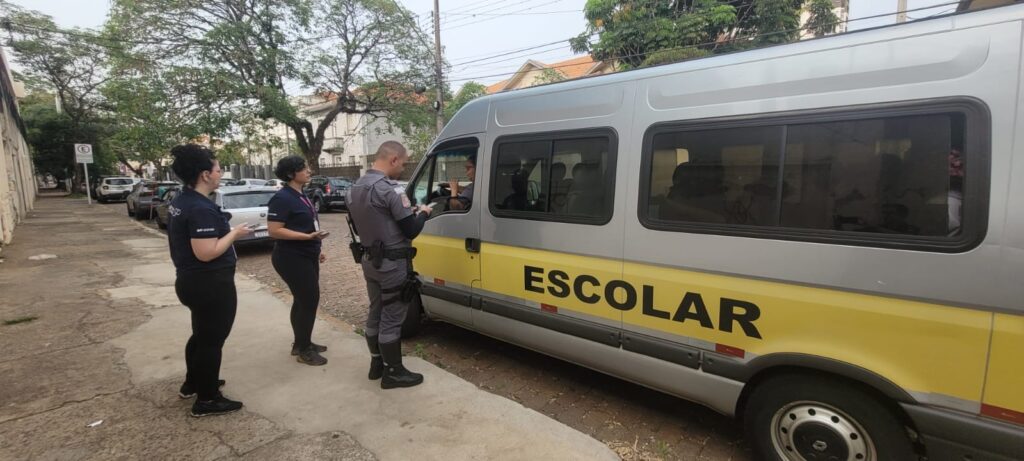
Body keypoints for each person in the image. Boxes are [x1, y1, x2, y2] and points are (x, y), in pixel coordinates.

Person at [166, 144, 253, 417]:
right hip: (209, 283)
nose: (220, 173)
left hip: (193, 282)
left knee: (202, 335)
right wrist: (234, 233)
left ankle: (194, 382)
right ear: (205, 174)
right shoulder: (200, 208)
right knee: (212, 340)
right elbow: (206, 252)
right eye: (218, 169)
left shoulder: (183, 200)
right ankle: (207, 398)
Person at [348, 141, 433, 389]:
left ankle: (377, 363)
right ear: (393, 159)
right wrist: (424, 212)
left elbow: (373, 222)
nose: (403, 169)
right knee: (392, 317)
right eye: (404, 163)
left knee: (375, 310)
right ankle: (394, 372)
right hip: (392, 264)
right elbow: (411, 229)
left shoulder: (354, 189)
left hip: (370, 261)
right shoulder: (390, 190)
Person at [267, 156, 330, 366]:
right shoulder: (282, 198)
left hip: (307, 253)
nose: (309, 171)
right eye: (303, 168)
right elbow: (274, 230)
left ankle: (301, 343)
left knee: (302, 300)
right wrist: (307, 238)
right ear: (290, 174)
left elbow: (307, 225)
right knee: (309, 300)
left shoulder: (301, 195)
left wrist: (316, 247)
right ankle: (304, 350)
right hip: (290, 257)